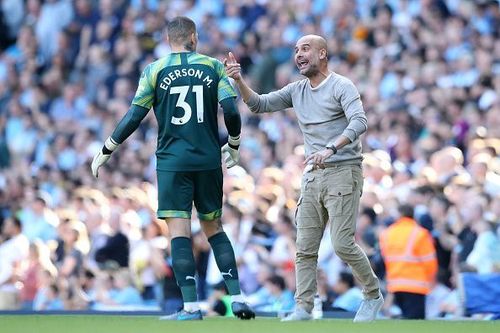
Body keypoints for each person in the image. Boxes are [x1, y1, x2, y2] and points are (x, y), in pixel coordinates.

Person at [91, 16, 254, 321]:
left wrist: (107, 148)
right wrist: (233, 143)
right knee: (213, 227)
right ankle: (239, 297)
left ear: (169, 40)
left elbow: (134, 116)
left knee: (178, 231)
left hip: (172, 161)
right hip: (207, 159)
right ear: (193, 36)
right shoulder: (213, 66)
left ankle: (191, 307)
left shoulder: (155, 70)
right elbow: (230, 109)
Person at [224, 34, 383, 322]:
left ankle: (373, 294)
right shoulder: (297, 90)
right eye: (296, 50)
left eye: (305, 49)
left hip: (344, 171)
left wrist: (331, 148)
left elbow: (360, 121)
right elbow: (258, 104)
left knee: (342, 244)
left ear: (323, 53)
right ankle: (304, 307)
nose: (299, 54)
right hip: (312, 175)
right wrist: (238, 80)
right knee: (304, 248)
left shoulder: (341, 86)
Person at [379, 204, 438, 319]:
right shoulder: (420, 233)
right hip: (416, 285)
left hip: (395, 285)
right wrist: (430, 279)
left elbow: (385, 258)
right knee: (416, 323)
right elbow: (430, 262)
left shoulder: (387, 233)